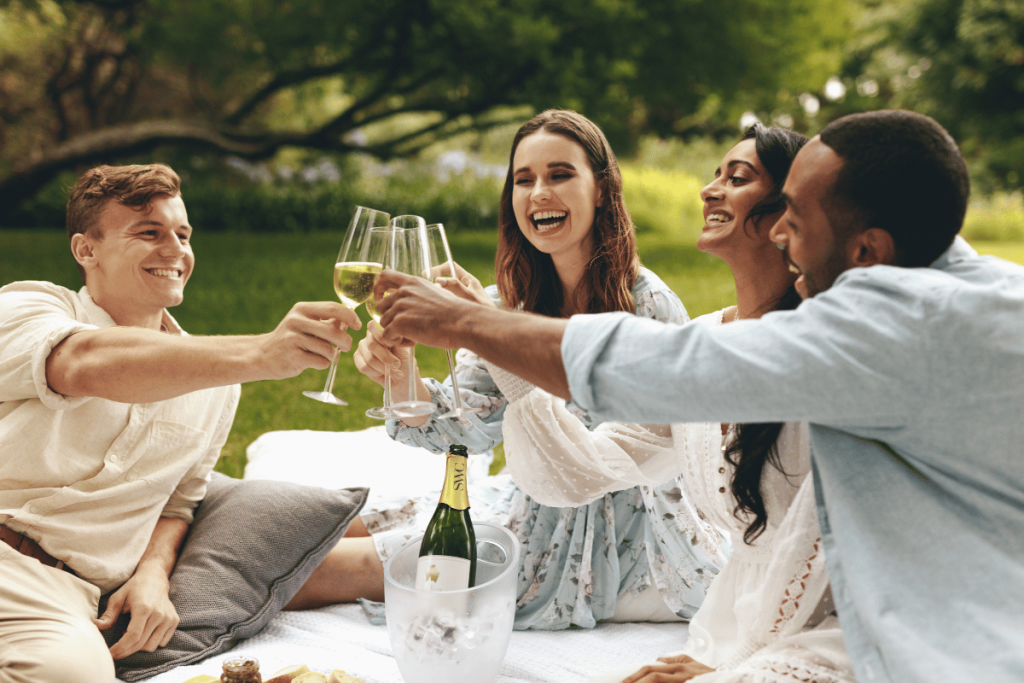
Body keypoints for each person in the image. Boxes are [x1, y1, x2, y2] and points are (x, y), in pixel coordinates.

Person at [371, 109, 1024, 683]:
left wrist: (467, 323)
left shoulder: (882, 334)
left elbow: (659, 365)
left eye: (791, 218)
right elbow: (583, 465)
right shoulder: (943, 275)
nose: (779, 233)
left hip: (932, 642)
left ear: (867, 250)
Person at [323, 109, 728, 628]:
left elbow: (594, 464)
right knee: (337, 524)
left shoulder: (647, 307)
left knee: (340, 566)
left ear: (602, 190)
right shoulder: (508, 299)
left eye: (560, 174)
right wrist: (398, 371)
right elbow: (465, 430)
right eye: (524, 179)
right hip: (529, 499)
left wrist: (482, 326)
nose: (538, 193)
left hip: (623, 531)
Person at [500, 123, 854, 683]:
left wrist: (735, 666)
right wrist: (497, 352)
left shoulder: (820, 353)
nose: (709, 190)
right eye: (714, 175)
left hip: (843, 626)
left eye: (736, 179)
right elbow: (579, 473)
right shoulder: (704, 345)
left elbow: (822, 549)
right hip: (742, 622)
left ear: (790, 212)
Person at [0, 163, 360, 682]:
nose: (175, 250)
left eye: (183, 234)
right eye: (149, 232)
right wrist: (262, 353)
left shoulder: (216, 385)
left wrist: (152, 572)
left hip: (57, 596)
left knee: (75, 675)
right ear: (86, 250)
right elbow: (82, 363)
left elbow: (179, 503)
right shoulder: (30, 307)